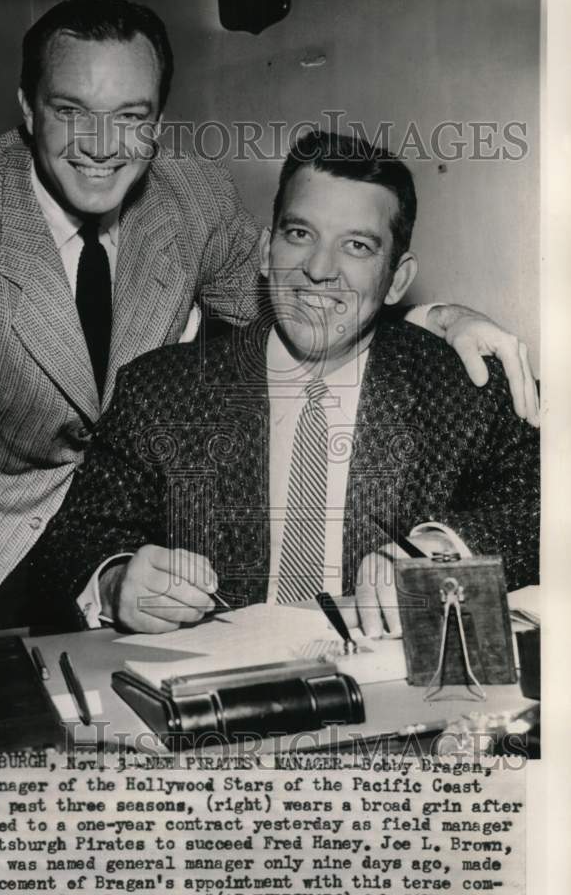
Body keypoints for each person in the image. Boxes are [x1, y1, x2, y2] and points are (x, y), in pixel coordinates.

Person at [0, 0, 539, 671]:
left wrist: (430, 321)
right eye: (71, 111)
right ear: (26, 109)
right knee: (5, 704)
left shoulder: (191, 198)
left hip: (148, 500)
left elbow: (292, 298)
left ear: (157, 121)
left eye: (129, 116)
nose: (102, 145)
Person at [35, 130, 539, 636]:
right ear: (263, 249)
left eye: (357, 246)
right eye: (299, 234)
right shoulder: (161, 388)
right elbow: (75, 543)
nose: (319, 270)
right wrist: (114, 581)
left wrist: (444, 550)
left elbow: (544, 513)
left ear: (398, 280)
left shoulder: (461, 390)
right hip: (217, 691)